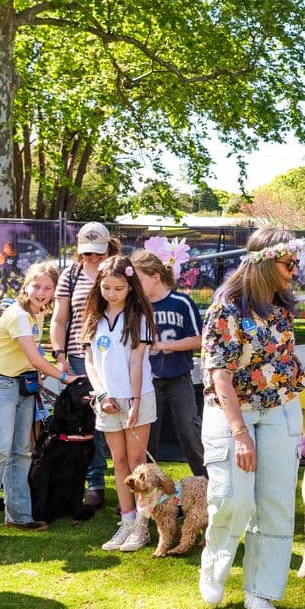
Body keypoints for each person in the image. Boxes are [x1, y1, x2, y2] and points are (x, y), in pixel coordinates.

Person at [198, 229, 305, 609]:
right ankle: (215, 564)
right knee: (234, 498)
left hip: (280, 408)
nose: (294, 270)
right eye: (288, 262)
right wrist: (240, 433)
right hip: (233, 413)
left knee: (275, 503)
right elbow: (219, 375)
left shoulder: (281, 305)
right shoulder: (227, 307)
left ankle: (261, 591)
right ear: (263, 261)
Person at [0, 263, 71, 545]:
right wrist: (64, 377)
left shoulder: (37, 315)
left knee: (22, 450)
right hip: (0, 383)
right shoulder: (18, 315)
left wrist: (49, 366)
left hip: (22, 383)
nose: (42, 292)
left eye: (48, 288)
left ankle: (19, 515)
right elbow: (36, 358)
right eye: (37, 286)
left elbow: (33, 357)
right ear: (26, 285)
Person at [83, 256, 157, 552]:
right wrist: (101, 395)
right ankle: (126, 521)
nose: (112, 294)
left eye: (118, 288)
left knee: (139, 463)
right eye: (106, 287)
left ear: (130, 287)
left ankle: (142, 525)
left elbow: (137, 363)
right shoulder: (93, 318)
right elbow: (90, 361)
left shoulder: (139, 316)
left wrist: (135, 401)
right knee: (120, 462)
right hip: (106, 399)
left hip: (137, 396)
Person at [53, 221, 113, 511]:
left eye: (98, 253)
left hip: (113, 355)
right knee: (89, 420)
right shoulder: (71, 275)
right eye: (88, 253)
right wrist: (59, 352)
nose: (93, 258)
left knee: (116, 416)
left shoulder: (117, 270)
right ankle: (95, 483)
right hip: (79, 355)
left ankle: (131, 480)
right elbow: (59, 318)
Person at [131, 251, 206, 478]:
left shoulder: (181, 302)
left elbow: (200, 339)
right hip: (147, 381)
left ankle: (208, 485)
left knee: (189, 430)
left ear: (155, 276)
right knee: (148, 438)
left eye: (139, 279)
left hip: (178, 378)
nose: (135, 285)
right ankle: (147, 493)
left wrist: (163, 345)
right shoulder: (136, 306)